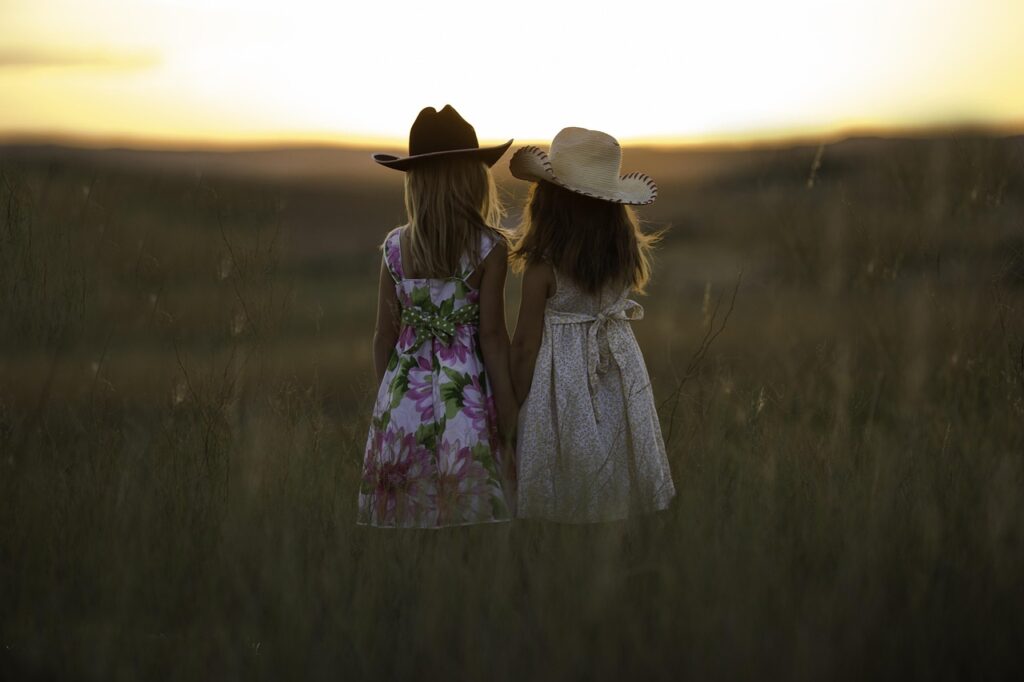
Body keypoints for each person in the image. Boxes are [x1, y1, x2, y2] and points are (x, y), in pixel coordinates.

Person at [357, 105, 517, 528]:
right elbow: (494, 338)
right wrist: (510, 415)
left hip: (401, 398)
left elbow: (382, 336)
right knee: (467, 515)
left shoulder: (394, 247)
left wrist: (387, 406)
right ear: (472, 179)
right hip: (463, 401)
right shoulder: (489, 248)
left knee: (407, 520)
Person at [508, 127, 676, 523]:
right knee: (619, 455)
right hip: (619, 366)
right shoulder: (621, 255)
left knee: (567, 467)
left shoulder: (542, 267)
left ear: (547, 202)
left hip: (560, 382)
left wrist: (511, 404)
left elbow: (526, 345)